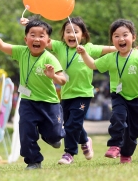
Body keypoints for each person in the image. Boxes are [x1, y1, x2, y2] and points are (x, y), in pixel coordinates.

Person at [21, 17, 118, 165]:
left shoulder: (89, 48)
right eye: (67, 31)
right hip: (66, 94)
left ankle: (69, 153)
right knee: (71, 124)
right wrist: (29, 24)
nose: (71, 35)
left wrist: (126, 48)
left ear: (83, 35)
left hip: (83, 93)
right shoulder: (59, 47)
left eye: (75, 31)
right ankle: (85, 140)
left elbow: (109, 49)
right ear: (63, 35)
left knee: (73, 124)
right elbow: (42, 37)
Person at [0, 19, 66, 170]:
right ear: (26, 39)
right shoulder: (21, 52)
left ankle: (52, 137)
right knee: (26, 131)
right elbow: (1, 45)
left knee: (54, 135)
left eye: (41, 36)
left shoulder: (49, 58)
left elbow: (63, 80)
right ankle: (33, 161)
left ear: (48, 41)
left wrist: (53, 76)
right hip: (27, 101)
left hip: (49, 103)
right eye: (32, 35)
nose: (37, 39)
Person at [77, 19, 138, 164]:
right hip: (119, 96)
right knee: (118, 117)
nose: (121, 39)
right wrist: (84, 54)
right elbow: (93, 65)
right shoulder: (111, 58)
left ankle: (126, 154)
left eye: (125, 35)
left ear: (133, 37)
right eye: (116, 36)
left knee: (133, 132)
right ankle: (114, 145)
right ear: (112, 39)